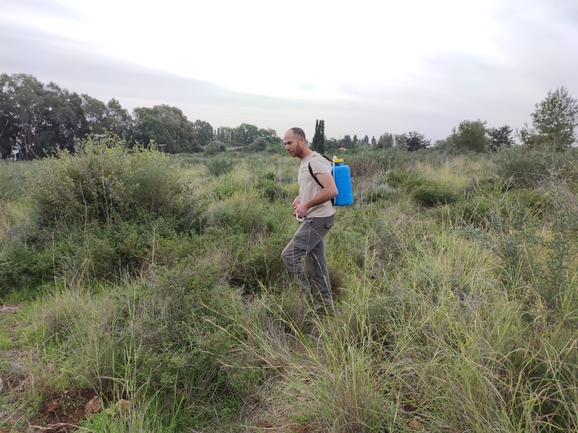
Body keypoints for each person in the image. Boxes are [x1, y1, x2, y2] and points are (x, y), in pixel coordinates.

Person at [281, 127, 338, 314]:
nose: (287, 146)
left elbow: (331, 190)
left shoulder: (316, 161)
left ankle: (306, 303)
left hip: (318, 218)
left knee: (289, 256)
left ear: (302, 141)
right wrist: (301, 198)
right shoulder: (305, 161)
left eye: (290, 142)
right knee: (316, 265)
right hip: (314, 217)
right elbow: (314, 185)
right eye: (285, 143)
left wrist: (307, 205)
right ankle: (327, 310)